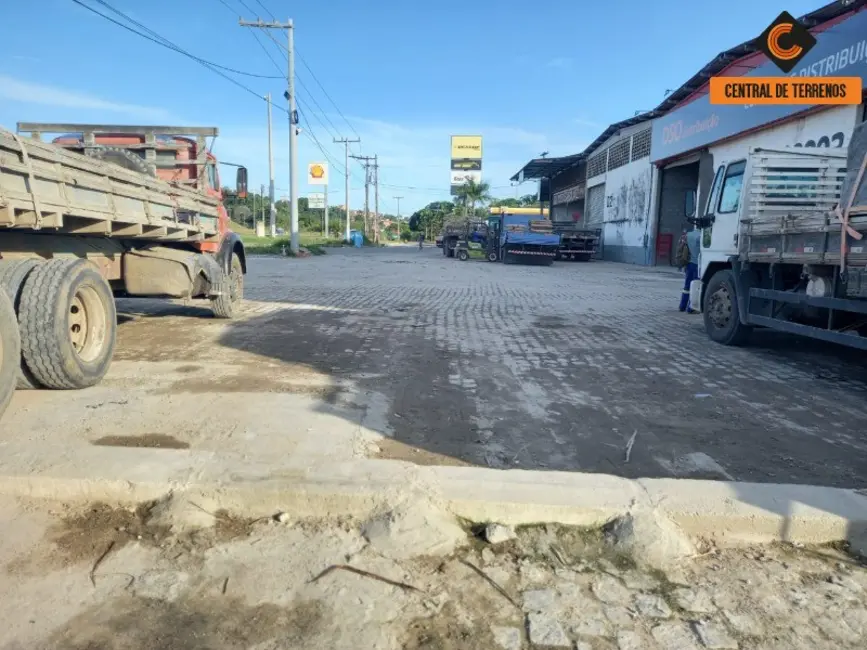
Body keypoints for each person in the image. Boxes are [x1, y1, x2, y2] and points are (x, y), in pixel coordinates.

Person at [679, 228, 701, 313]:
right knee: (696, 286)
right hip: (698, 264)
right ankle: (691, 308)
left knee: (687, 286)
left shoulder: (688, 235)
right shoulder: (701, 236)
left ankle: (682, 306)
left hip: (689, 263)